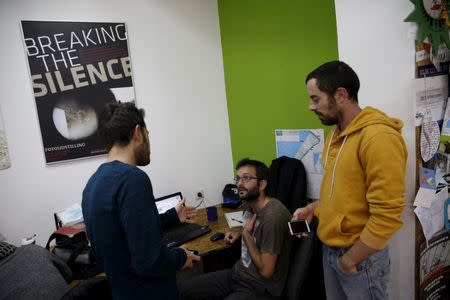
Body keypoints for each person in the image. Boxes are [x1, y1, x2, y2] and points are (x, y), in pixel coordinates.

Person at [293, 61, 407, 300]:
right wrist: (314, 208)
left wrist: (350, 259)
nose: (310, 106)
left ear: (341, 95)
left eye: (315, 99)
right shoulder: (335, 135)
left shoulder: (378, 138)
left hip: (359, 259)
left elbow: (387, 216)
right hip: (331, 250)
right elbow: (341, 192)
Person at [82, 102, 200, 300]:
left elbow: (122, 234)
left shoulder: (92, 185)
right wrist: (181, 256)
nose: (148, 141)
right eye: (148, 133)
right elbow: (150, 261)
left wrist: (171, 217)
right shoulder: (133, 179)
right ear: (138, 132)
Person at [178, 158, 293, 300]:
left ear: (262, 184)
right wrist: (239, 234)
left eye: (246, 178)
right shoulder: (250, 204)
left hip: (259, 287)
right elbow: (256, 232)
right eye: (238, 179)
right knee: (181, 290)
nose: (239, 184)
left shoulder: (273, 217)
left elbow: (266, 271)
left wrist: (246, 235)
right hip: (237, 274)